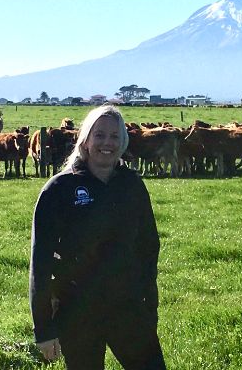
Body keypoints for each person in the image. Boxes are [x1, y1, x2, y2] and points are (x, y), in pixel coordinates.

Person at [29, 105, 166, 369]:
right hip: (77, 311)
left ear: (123, 141)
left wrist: (149, 303)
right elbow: (40, 263)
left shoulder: (131, 185)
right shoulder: (59, 188)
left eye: (115, 136)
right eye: (99, 135)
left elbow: (149, 246)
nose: (107, 143)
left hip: (129, 309)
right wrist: (44, 328)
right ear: (85, 139)